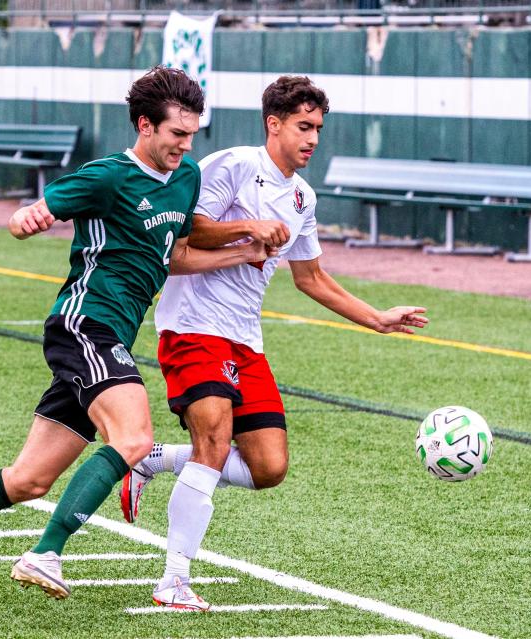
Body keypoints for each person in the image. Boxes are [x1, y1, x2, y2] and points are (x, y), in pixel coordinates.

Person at [0, 66, 275, 605]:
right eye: (177, 134)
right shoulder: (107, 175)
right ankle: (46, 552)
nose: (185, 145)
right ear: (145, 125)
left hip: (111, 335)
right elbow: (29, 215)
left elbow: (170, 255)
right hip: (84, 325)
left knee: (28, 481)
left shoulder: (186, 177)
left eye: (192, 134)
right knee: (132, 440)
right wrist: (28, 217)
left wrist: (241, 252)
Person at [119, 75, 429, 611]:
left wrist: (377, 318)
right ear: (274, 124)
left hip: (245, 339)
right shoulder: (232, 165)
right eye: (304, 127)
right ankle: (173, 580)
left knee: (269, 468)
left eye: (318, 130)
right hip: (192, 325)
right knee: (214, 444)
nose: (312, 139)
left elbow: (312, 278)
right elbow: (186, 229)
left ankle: (153, 458)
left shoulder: (303, 197)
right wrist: (250, 228)